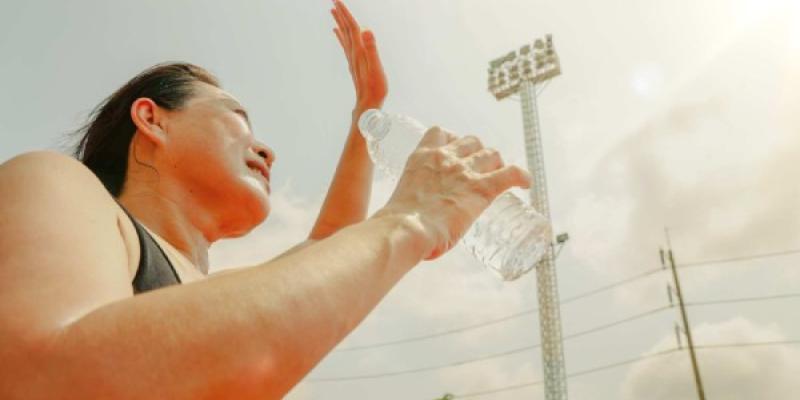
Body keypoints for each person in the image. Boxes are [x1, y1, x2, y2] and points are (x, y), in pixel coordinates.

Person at [0, 1, 531, 399]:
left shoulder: (211, 302)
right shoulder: (55, 181)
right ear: (151, 119)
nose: (266, 149)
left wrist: (365, 115)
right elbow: (47, 373)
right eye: (238, 118)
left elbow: (331, 250)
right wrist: (411, 219)